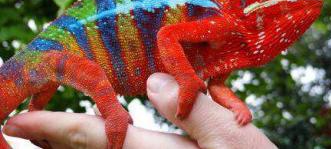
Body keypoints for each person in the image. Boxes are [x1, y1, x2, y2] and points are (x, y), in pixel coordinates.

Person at [3, 73, 277, 149]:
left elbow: (217, 84)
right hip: (60, 52)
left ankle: (34, 114)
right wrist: (112, 112)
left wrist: (237, 107)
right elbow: (167, 36)